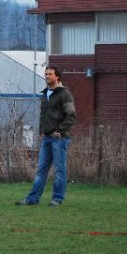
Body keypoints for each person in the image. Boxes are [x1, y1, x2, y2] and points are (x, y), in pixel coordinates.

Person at [16, 65, 76, 206]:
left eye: (50, 74)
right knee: (41, 170)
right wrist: (42, 131)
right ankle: (32, 199)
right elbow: (43, 114)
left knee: (59, 170)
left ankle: (57, 199)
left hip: (60, 138)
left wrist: (60, 131)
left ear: (57, 76)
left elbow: (72, 116)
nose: (47, 76)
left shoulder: (64, 94)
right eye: (45, 74)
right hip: (47, 137)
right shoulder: (45, 94)